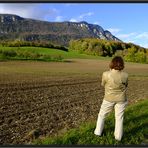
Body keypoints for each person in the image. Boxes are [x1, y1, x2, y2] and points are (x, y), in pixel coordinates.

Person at [94, 56, 128, 141]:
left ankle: (98, 133)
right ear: (122, 64)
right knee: (119, 118)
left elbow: (103, 84)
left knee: (102, 115)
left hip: (108, 99)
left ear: (111, 63)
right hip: (121, 99)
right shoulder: (125, 75)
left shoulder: (105, 74)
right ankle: (118, 137)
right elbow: (126, 85)